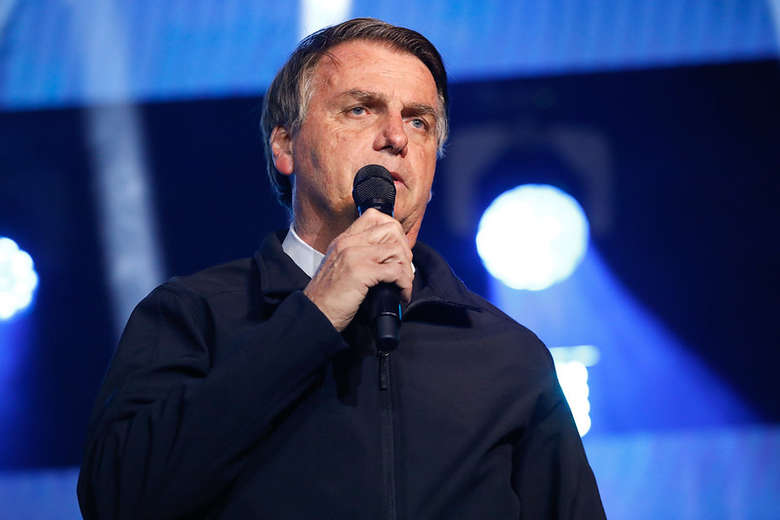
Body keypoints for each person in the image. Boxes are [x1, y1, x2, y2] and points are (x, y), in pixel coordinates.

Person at [77, 18, 605, 519]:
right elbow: (118, 498)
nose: (396, 137)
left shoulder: (506, 354)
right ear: (285, 145)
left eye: (418, 121)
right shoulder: (195, 316)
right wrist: (315, 315)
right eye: (359, 109)